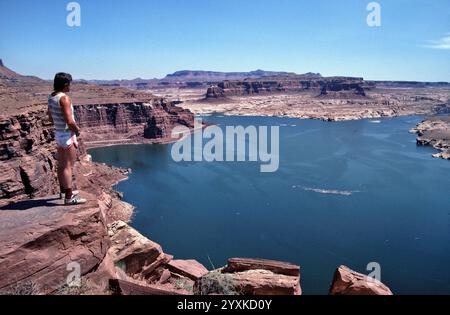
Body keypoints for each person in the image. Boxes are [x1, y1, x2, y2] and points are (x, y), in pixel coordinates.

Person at [47, 72, 86, 205]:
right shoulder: (64, 98)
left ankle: (63, 191)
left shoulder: (51, 97)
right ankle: (69, 198)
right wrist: (77, 130)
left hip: (58, 133)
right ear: (65, 85)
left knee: (62, 164)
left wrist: (59, 124)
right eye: (69, 84)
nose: (70, 87)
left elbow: (50, 117)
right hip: (67, 135)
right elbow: (69, 121)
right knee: (68, 166)